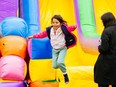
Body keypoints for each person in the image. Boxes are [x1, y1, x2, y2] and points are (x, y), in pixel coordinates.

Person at [28, 15, 77, 84]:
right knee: (54, 66)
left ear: (60, 23)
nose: (55, 24)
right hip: (55, 50)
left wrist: (74, 26)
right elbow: (42, 35)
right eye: (53, 22)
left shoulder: (63, 29)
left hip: (63, 48)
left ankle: (65, 75)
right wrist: (33, 36)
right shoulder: (49, 30)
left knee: (60, 62)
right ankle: (61, 67)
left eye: (57, 22)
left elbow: (69, 28)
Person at [94, 12, 116, 87]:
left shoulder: (106, 31)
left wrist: (99, 47)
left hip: (106, 63)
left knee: (103, 83)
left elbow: (104, 48)